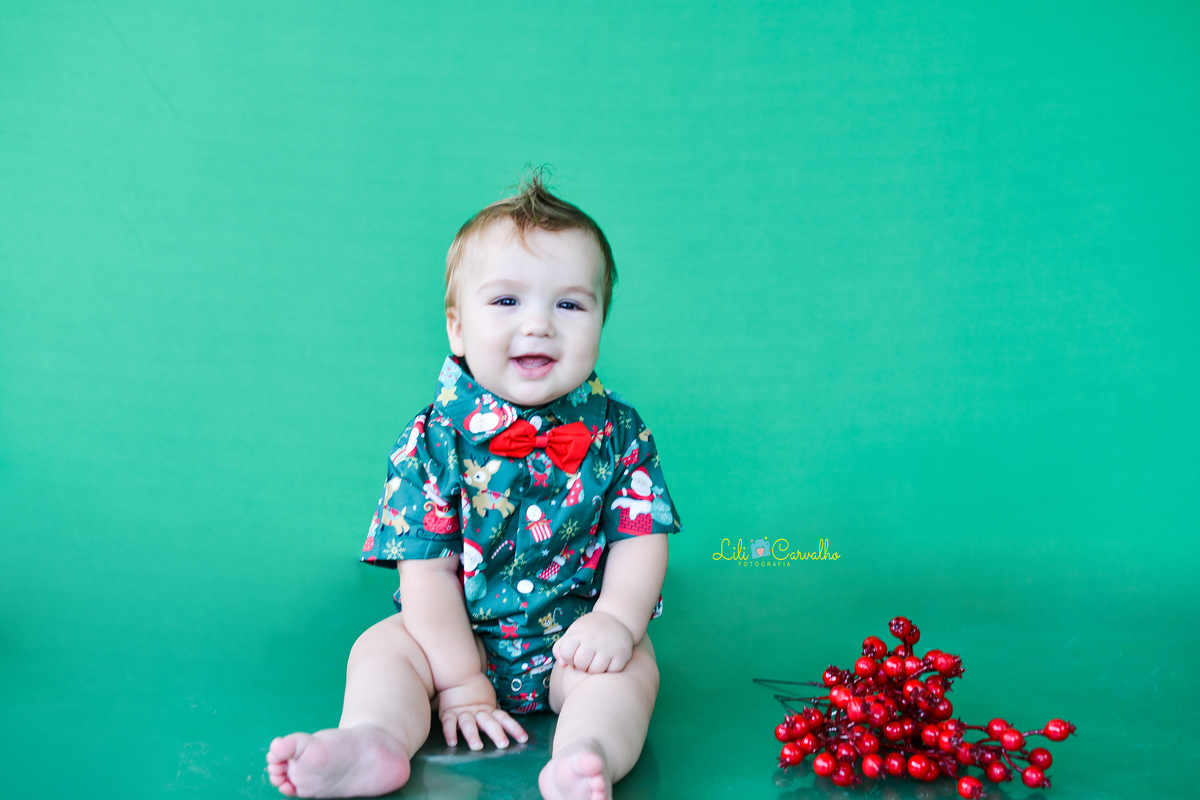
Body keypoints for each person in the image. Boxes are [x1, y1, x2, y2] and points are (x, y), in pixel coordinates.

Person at [266, 171, 682, 800]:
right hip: (454, 639)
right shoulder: (430, 442)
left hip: (575, 640)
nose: (539, 325)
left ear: (601, 321)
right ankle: (373, 740)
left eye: (570, 305)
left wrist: (618, 621)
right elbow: (426, 573)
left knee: (631, 673)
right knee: (381, 650)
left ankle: (585, 753)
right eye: (507, 302)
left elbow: (640, 535)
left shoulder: (619, 432)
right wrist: (459, 681)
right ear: (457, 328)